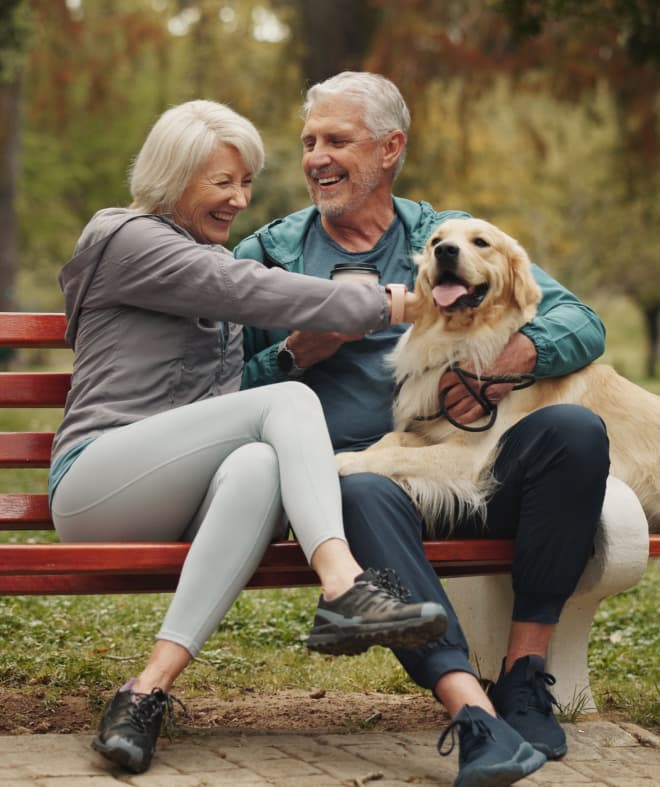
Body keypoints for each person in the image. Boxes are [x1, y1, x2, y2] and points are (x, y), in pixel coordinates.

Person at [48, 99, 450, 775]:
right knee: (286, 406)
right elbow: (247, 287)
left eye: (246, 183)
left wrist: (289, 358)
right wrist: (392, 302)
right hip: (96, 483)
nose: (239, 199)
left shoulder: (201, 256)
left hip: (171, 488)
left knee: (261, 462)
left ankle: (144, 691)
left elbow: (221, 399)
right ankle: (344, 584)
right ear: (174, 176)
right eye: (222, 182)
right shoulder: (126, 239)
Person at [236, 72, 610, 786]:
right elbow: (212, 383)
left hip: (468, 463)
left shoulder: (446, 234)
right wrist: (292, 354)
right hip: (357, 489)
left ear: (389, 149)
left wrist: (502, 367)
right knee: (366, 486)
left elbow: (580, 322)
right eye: (310, 141)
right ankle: (470, 711)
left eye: (337, 140)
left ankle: (525, 675)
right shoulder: (274, 254)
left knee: (575, 430)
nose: (316, 156)